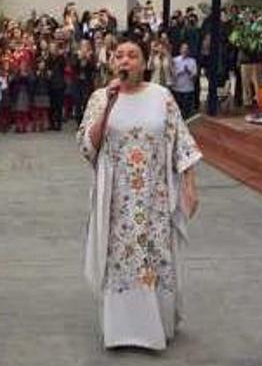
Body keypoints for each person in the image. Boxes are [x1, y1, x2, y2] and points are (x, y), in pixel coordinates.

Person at [77, 41, 202, 350]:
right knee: (121, 261)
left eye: (133, 55)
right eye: (119, 55)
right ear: (111, 63)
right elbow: (87, 146)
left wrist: (189, 185)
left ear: (145, 62)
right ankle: (122, 331)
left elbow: (182, 143)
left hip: (155, 196)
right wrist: (108, 105)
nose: (125, 61)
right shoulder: (99, 98)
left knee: (155, 256)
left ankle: (158, 326)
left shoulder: (162, 97)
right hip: (117, 200)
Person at [170, 43, 198, 119]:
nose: (185, 50)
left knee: (187, 111)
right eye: (183, 49)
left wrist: (188, 71)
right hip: (177, 88)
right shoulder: (175, 60)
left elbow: (194, 76)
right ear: (180, 50)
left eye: (186, 49)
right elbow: (172, 74)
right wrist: (180, 72)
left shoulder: (192, 61)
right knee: (177, 110)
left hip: (188, 89)